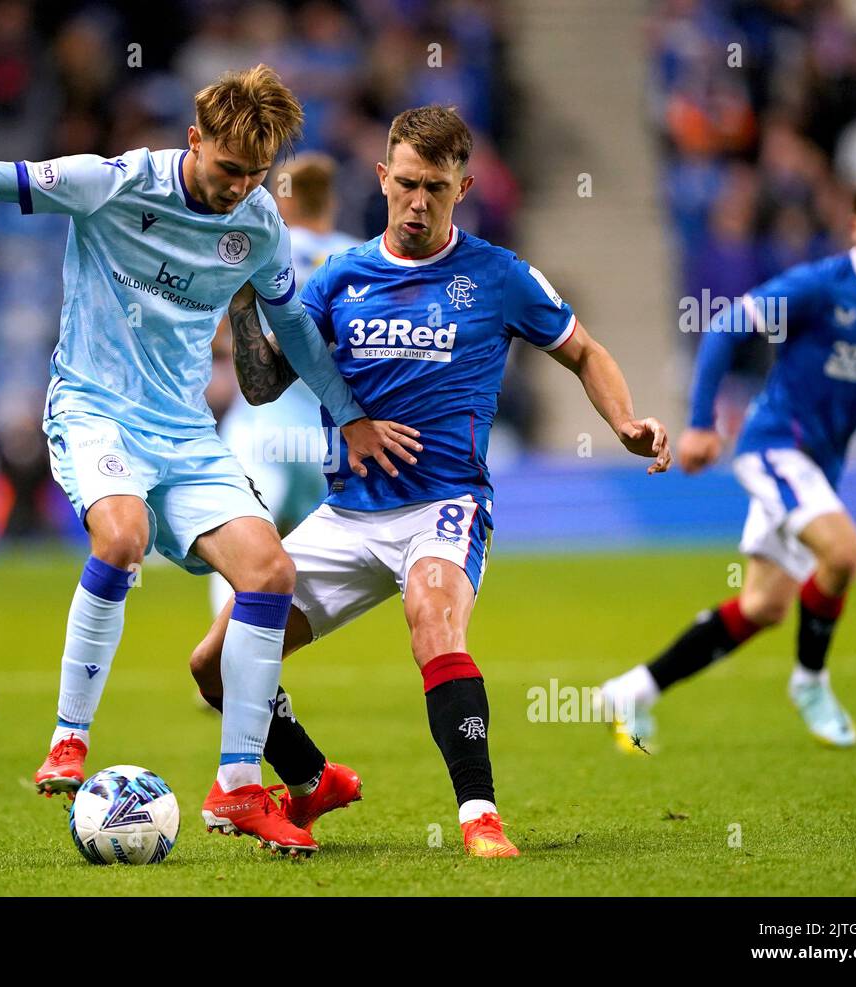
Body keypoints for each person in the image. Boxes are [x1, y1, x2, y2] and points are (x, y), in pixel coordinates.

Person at [0, 65, 421, 856]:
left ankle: (239, 786)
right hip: (95, 410)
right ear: (194, 139)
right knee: (122, 535)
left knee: (269, 571)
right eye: (228, 168)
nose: (239, 188)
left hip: (187, 431)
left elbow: (294, 330)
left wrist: (352, 416)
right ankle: (70, 736)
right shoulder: (114, 182)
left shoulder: (261, 225)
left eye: (255, 175)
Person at [190, 105, 672, 857]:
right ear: (382, 178)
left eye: (437, 189)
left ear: (464, 187)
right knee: (213, 665)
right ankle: (312, 778)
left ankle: (480, 814)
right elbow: (260, 382)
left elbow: (584, 351)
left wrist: (624, 420)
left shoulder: (500, 276)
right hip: (347, 511)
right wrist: (249, 296)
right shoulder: (338, 278)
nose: (419, 203)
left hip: (443, 505)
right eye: (407, 184)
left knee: (434, 620)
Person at [600, 171, 856, 752]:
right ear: (853, 224)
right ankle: (811, 683)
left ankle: (634, 690)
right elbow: (727, 326)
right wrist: (703, 423)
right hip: (773, 445)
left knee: (764, 606)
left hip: (820, 465)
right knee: (846, 552)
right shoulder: (820, 285)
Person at [208, 152, 362, 617]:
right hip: (329, 442)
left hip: (262, 429)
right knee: (306, 563)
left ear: (282, 200)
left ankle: (227, 661)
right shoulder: (357, 258)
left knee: (241, 543)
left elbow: (219, 336)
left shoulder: (259, 250)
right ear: (330, 201)